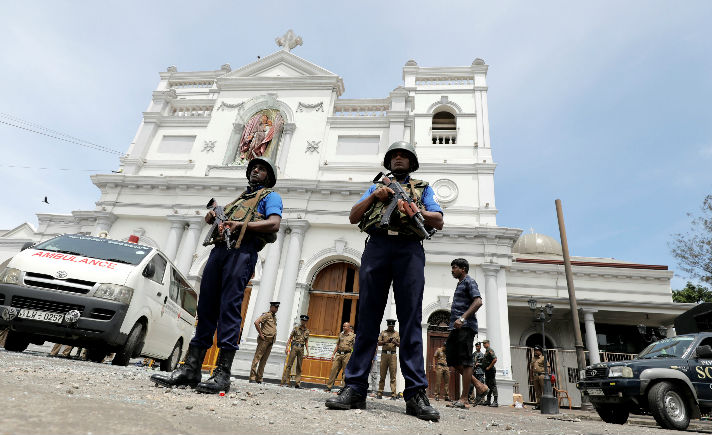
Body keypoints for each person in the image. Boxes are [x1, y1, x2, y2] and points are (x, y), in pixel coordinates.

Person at [325, 141, 444, 422]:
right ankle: (355, 388)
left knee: (411, 319)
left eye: (404, 156)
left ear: (412, 163)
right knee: (366, 318)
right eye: (394, 156)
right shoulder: (376, 186)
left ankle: (415, 393)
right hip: (377, 247)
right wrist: (375, 197)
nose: (399, 159)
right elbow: (354, 216)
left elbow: (437, 219)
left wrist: (414, 209)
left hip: (409, 250)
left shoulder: (423, 187)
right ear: (388, 162)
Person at [150, 157, 283, 394]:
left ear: (269, 177)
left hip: (242, 252)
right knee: (206, 309)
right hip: (219, 253)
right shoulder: (239, 200)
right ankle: (191, 369)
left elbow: (273, 224)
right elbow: (222, 223)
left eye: (261, 169)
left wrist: (240, 225)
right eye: (253, 168)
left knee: (230, 308)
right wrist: (213, 218)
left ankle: (222, 373)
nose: (255, 171)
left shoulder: (270, 197)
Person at [444, 258, 482, 409]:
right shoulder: (460, 283)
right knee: (452, 359)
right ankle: (479, 385)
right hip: (456, 329)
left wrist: (462, 318)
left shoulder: (469, 281)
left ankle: (464, 398)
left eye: (455, 268)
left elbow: (478, 301)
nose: (452, 270)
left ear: (463, 269)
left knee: (466, 361)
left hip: (466, 327)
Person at [250, 301, 280, 383]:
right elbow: (256, 322)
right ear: (271, 307)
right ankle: (252, 377)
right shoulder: (266, 315)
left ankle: (259, 378)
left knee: (264, 360)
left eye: (277, 308)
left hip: (271, 340)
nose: (277, 309)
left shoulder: (274, 317)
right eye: (275, 307)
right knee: (257, 358)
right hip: (264, 339)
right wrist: (261, 334)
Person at [281, 314, 310, 388]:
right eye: (302, 320)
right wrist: (287, 347)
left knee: (299, 366)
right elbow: (290, 338)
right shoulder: (296, 329)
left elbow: (306, 341)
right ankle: (286, 382)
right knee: (289, 364)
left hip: (301, 348)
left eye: (305, 321)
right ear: (301, 320)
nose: (303, 322)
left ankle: (297, 383)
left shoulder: (307, 331)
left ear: (306, 322)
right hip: (294, 347)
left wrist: (307, 351)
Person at [325, 322, 355, 392]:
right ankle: (329, 387)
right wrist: (333, 354)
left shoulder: (353, 336)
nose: (344, 327)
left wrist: (353, 356)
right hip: (339, 354)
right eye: (343, 326)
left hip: (347, 354)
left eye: (345, 326)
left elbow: (355, 347)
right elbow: (337, 345)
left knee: (345, 372)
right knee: (333, 369)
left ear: (349, 327)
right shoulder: (341, 335)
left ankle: (343, 388)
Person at [377, 319, 400, 399]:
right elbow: (378, 343)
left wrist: (395, 342)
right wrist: (385, 341)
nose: (391, 327)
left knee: (393, 375)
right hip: (384, 354)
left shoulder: (397, 333)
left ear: (394, 326)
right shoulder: (383, 332)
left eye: (392, 326)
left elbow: (400, 345)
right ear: (387, 325)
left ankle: (393, 394)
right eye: (390, 326)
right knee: (382, 374)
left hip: (393, 355)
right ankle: (380, 393)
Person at [481, 339, 498, 407]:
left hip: (491, 371)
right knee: (488, 385)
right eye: (483, 343)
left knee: (493, 385)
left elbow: (495, 359)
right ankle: (488, 400)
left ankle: (495, 401)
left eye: (485, 343)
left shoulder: (490, 350)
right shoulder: (486, 351)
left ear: (488, 343)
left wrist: (489, 367)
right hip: (487, 371)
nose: (483, 345)